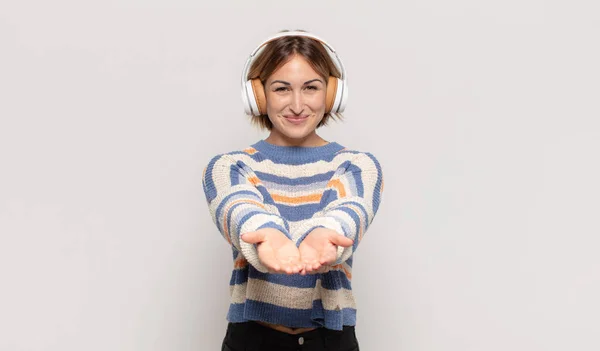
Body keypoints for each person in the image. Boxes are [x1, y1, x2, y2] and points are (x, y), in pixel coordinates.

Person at [201, 29, 384, 351]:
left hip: (330, 340)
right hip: (252, 339)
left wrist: (327, 233)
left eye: (311, 88)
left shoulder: (357, 164)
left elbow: (348, 212)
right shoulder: (229, 166)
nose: (297, 105)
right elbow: (239, 208)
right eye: (282, 89)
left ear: (331, 94)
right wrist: (267, 235)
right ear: (259, 96)